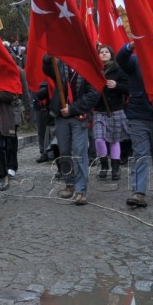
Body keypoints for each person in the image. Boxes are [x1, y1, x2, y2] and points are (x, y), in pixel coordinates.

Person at [117, 42, 153, 207]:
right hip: (138, 116)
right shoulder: (135, 61)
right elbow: (121, 58)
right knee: (140, 154)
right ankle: (138, 192)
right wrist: (130, 46)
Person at [43, 55, 100, 206]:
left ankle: (81, 190)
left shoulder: (87, 67)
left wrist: (73, 109)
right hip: (61, 116)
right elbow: (48, 70)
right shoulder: (59, 63)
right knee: (64, 151)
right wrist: (48, 59)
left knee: (79, 151)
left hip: (79, 116)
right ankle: (69, 183)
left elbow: (93, 94)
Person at [92, 45, 129, 182]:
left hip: (115, 109)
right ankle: (104, 165)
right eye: (101, 52)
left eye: (106, 52)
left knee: (114, 141)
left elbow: (128, 89)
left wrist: (117, 85)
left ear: (111, 54)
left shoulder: (119, 70)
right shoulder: (95, 70)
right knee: (99, 139)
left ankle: (115, 168)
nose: (104, 54)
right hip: (99, 110)